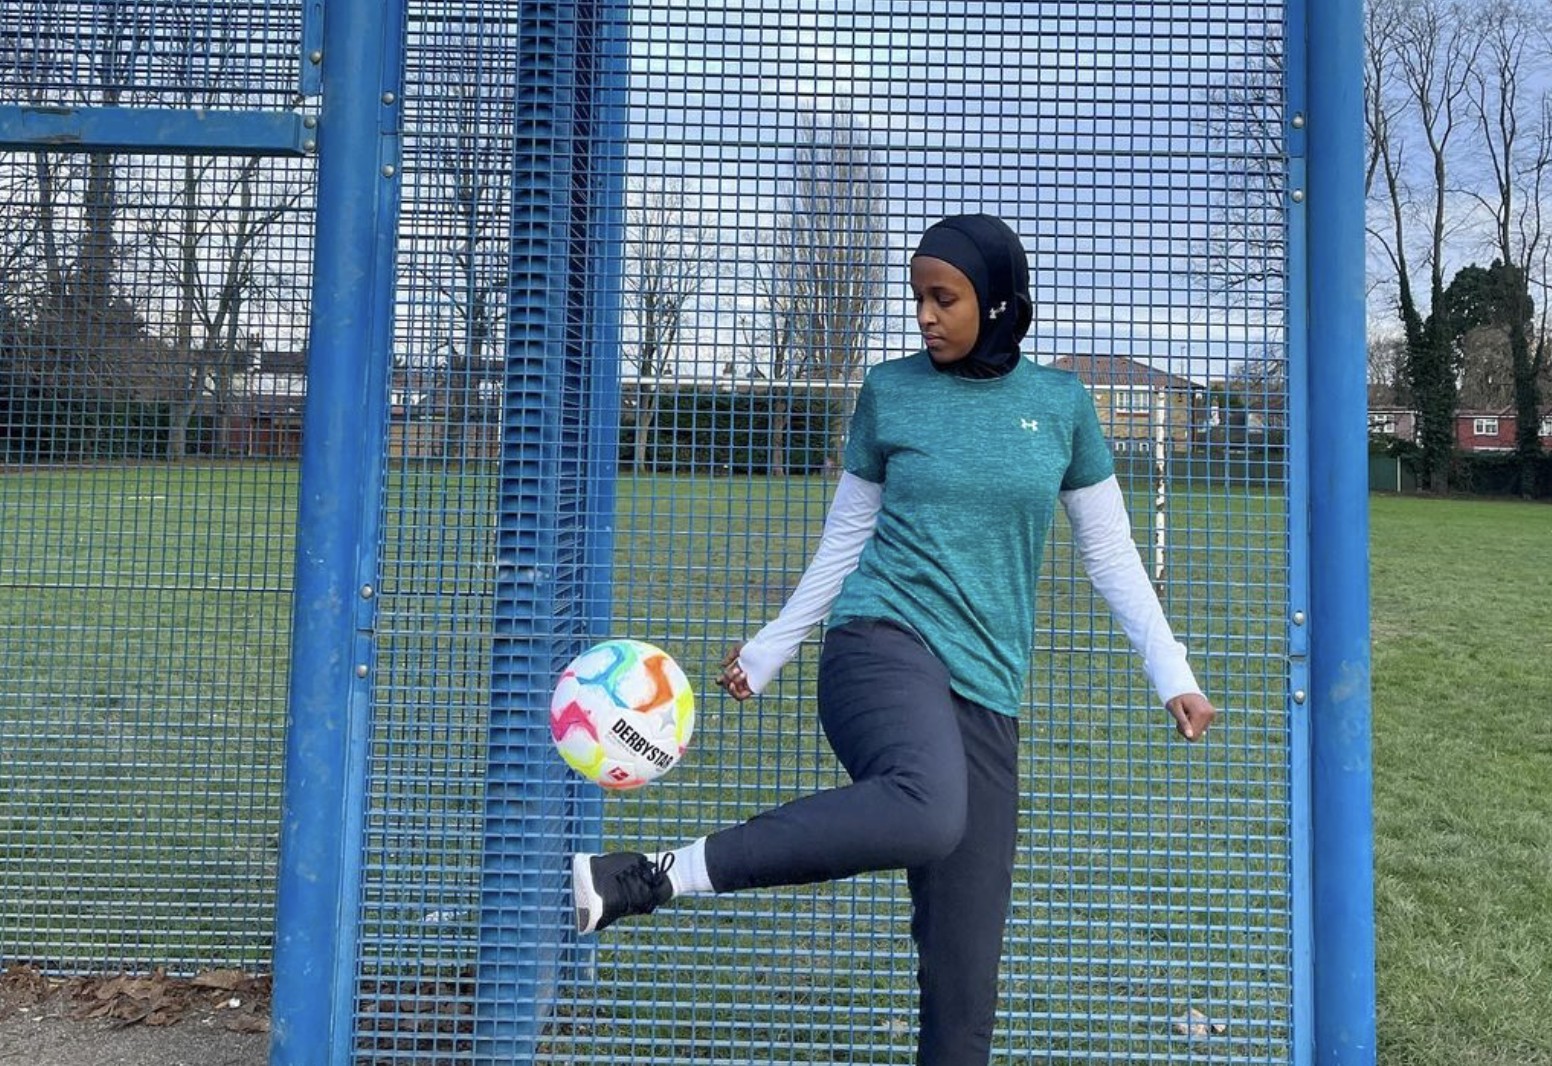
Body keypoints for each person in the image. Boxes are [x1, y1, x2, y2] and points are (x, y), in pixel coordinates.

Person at [570, 214, 1217, 1066]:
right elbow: (844, 541)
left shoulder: (1061, 407)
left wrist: (1171, 669)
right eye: (918, 297)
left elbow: (1111, 554)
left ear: (999, 303)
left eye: (943, 298)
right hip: (880, 644)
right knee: (927, 806)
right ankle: (649, 876)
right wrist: (773, 648)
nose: (925, 314)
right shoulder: (892, 391)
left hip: (987, 689)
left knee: (964, 976)